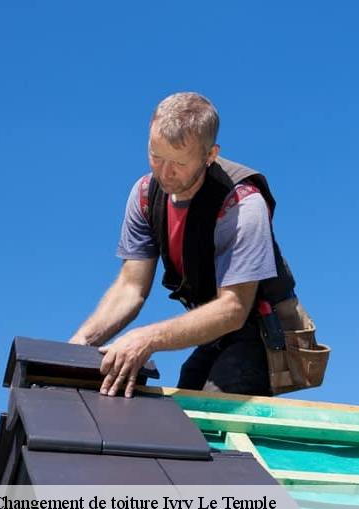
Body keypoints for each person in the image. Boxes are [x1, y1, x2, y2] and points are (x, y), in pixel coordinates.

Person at [70, 92, 296, 398]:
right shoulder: (145, 196)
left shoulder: (242, 205)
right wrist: (78, 346)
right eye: (155, 156)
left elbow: (234, 308)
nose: (164, 173)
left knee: (207, 415)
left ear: (210, 155)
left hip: (258, 331)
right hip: (212, 330)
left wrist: (146, 338)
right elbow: (130, 288)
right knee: (181, 401)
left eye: (178, 162)